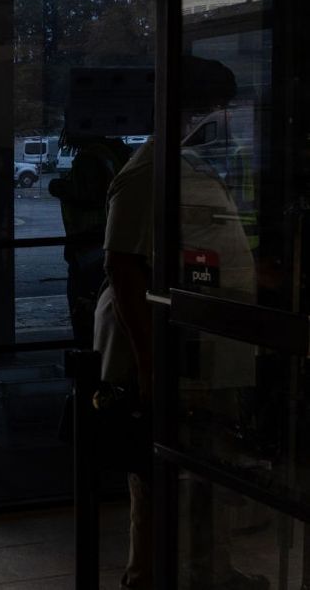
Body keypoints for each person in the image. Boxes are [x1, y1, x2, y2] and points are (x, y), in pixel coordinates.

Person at [94, 56, 266, 590]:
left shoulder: (187, 163)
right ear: (202, 109)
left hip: (205, 347)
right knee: (160, 472)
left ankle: (211, 570)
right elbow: (123, 266)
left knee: (209, 469)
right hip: (175, 352)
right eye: (224, 107)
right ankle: (147, 576)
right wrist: (151, 366)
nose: (231, 118)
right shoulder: (151, 171)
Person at [48, 134, 131, 347]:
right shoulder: (112, 156)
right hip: (104, 241)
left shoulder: (90, 159)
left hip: (89, 246)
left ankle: (90, 361)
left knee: (84, 308)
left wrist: (58, 187)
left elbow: (88, 194)